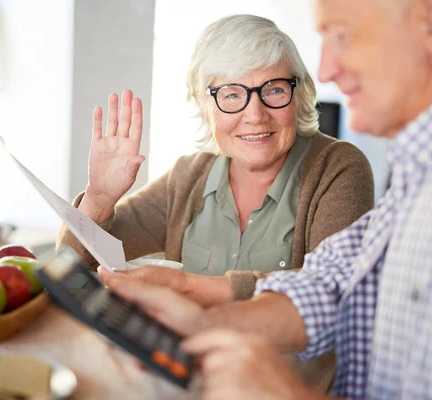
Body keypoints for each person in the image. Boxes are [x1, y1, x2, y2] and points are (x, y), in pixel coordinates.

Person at [105, 0, 432, 399]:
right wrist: (201, 322)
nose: (327, 69)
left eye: (341, 35)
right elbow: (329, 286)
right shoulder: (431, 168)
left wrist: (287, 394)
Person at [58, 13, 373, 393]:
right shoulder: (188, 176)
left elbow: (328, 295)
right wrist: (99, 198)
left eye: (273, 89)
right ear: (206, 105)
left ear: (299, 93)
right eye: (232, 95)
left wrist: (192, 287)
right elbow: (69, 266)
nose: (254, 115)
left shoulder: (339, 168)